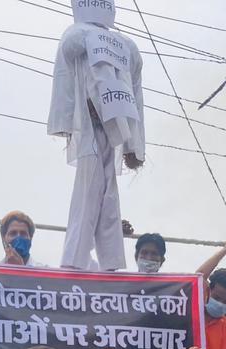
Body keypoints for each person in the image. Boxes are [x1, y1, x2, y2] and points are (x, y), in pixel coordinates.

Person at [50, 6, 144, 272]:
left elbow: (135, 94)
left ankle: (107, 262)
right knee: (90, 189)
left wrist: (134, 145)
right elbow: (68, 77)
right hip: (91, 122)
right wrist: (69, 121)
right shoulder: (78, 36)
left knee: (107, 194)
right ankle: (76, 261)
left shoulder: (125, 46)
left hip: (114, 122)